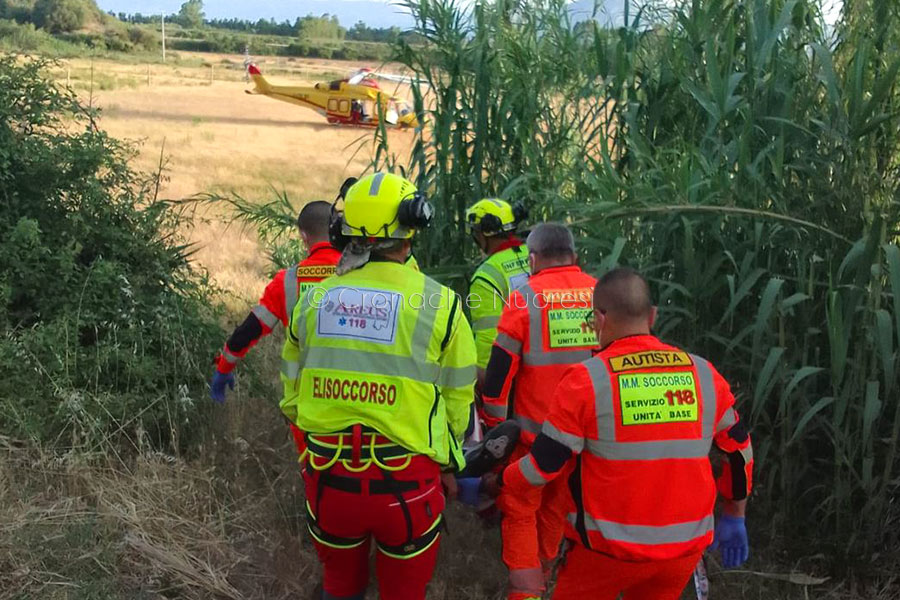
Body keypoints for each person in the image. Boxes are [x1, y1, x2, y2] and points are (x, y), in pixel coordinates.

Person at [500, 267, 754, 600]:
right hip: (682, 553)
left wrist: (501, 479)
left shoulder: (586, 381)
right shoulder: (703, 373)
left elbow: (543, 468)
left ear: (598, 319)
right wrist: (735, 512)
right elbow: (739, 449)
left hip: (604, 556)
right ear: (653, 315)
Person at [280, 172, 476, 600]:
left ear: (344, 229)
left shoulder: (313, 299)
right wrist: (448, 463)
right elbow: (459, 400)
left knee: (339, 587)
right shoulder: (440, 303)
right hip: (408, 484)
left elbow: (292, 397)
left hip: (330, 479)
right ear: (411, 226)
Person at [480, 223, 600, 600]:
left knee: (519, 507)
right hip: (585, 441)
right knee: (557, 510)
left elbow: (498, 376)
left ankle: (525, 592)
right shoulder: (602, 293)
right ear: (575, 257)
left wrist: (496, 427)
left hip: (534, 438)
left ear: (532, 261)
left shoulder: (524, 298)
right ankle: (544, 575)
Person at [210, 201, 340, 455]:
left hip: (307, 402)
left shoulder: (288, 283)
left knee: (315, 474)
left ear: (303, 236)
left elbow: (249, 331)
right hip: (362, 396)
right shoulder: (361, 274)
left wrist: (224, 368)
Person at [465, 198, 530, 385]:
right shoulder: (538, 254)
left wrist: (485, 382)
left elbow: (488, 336)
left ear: (482, 234)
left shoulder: (486, 276)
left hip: (512, 374)